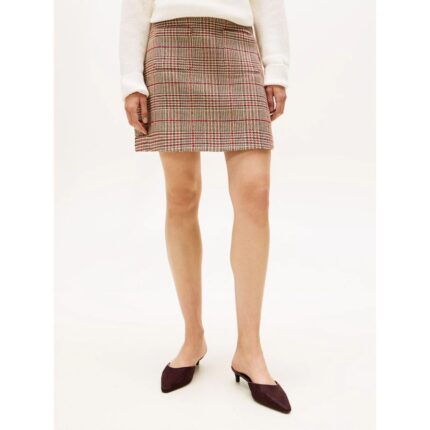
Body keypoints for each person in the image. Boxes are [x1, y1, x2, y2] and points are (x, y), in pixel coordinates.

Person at [120, 0, 291, 413]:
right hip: (170, 49)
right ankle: (193, 337)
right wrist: (130, 79)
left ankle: (249, 350)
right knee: (181, 196)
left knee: (255, 194)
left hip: (237, 45)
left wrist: (276, 68)